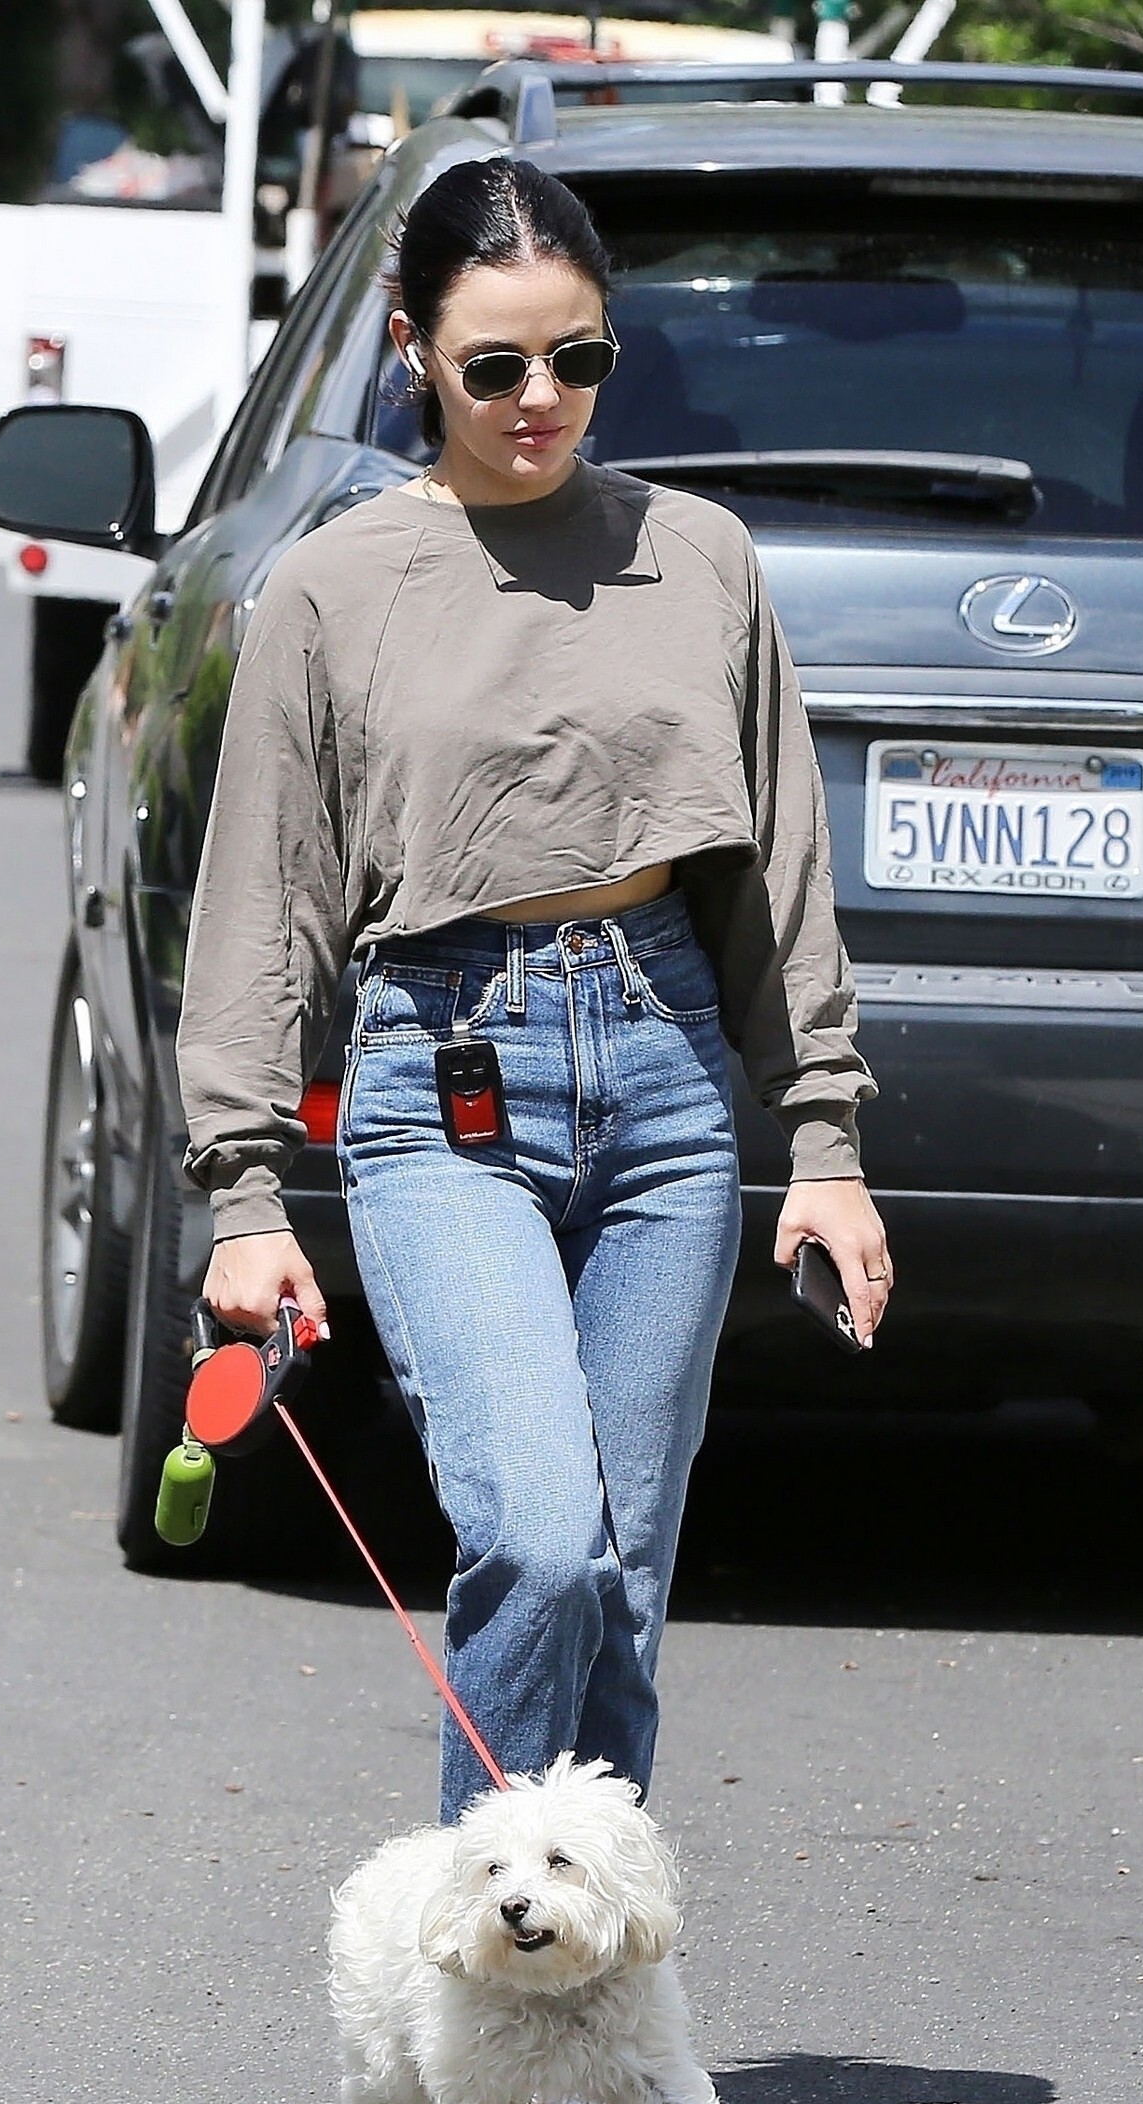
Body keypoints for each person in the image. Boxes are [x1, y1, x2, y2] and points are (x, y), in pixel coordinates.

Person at [177, 156, 891, 1833]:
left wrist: (829, 1145)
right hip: (445, 1078)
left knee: (622, 1590)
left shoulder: (698, 557)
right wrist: (244, 1196)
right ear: (415, 353)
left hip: (662, 1075)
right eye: (495, 364)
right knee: (543, 1542)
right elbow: (264, 903)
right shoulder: (337, 587)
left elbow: (776, 870)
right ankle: (481, 1945)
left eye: (579, 359)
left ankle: (590, 1980)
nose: (540, 399)